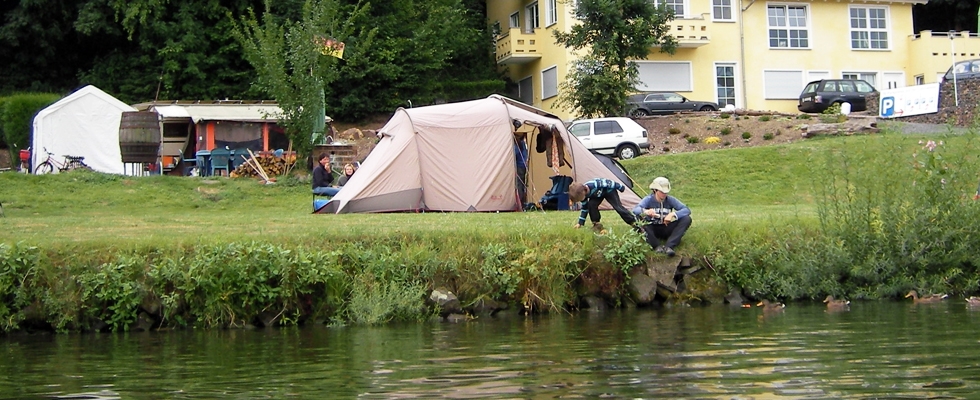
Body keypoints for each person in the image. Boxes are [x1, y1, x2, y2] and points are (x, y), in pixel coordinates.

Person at [633, 177, 692, 257]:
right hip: (651, 228)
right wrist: (646, 212)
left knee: (686, 219)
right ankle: (656, 246)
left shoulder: (670, 200)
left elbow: (686, 210)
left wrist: (673, 214)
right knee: (638, 219)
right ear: (655, 190)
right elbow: (635, 210)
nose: (664, 194)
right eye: (662, 192)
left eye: (666, 192)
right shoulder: (648, 199)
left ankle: (669, 246)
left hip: (665, 227)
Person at [568, 178, 636, 231]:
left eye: (580, 199)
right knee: (591, 205)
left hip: (609, 191)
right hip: (598, 195)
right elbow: (585, 209)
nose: (581, 201)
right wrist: (580, 223)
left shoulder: (595, 184)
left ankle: (634, 223)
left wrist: (620, 187)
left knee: (618, 207)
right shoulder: (584, 196)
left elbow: (609, 183)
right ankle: (597, 224)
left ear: (584, 191)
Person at [514, 132, 529, 208]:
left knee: (519, 185)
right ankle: (522, 203)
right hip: (523, 166)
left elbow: (514, 155)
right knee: (522, 185)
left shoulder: (517, 145)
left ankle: (519, 203)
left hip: (518, 167)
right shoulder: (523, 144)